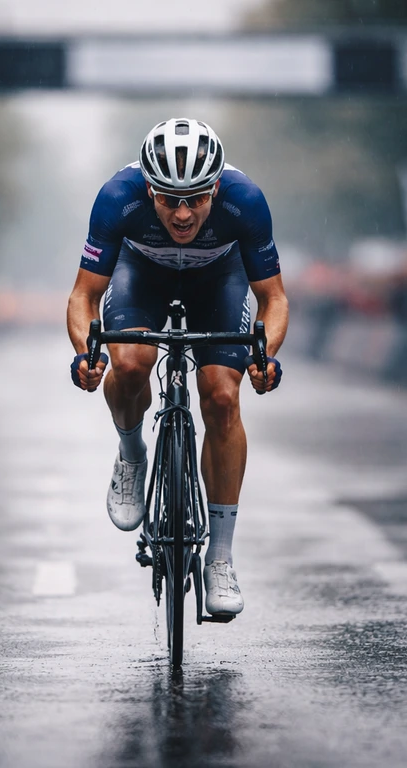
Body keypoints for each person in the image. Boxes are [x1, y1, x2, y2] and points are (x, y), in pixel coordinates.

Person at [66, 118, 289, 616]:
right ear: (149, 190)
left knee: (221, 395)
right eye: (168, 200)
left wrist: (264, 355)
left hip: (219, 281)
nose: (183, 213)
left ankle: (222, 557)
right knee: (128, 362)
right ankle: (131, 453)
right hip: (140, 276)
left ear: (215, 187)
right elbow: (85, 295)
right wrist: (88, 353)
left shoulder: (244, 201)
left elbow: (273, 299)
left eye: (196, 199)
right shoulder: (117, 197)